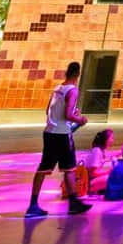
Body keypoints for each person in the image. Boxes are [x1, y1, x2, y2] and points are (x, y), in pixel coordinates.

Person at [27, 60, 92, 216]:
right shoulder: (73, 91)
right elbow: (68, 114)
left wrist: (69, 117)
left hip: (49, 132)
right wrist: (80, 119)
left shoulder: (57, 89)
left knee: (44, 168)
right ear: (77, 74)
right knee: (69, 168)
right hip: (62, 134)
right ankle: (73, 203)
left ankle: (33, 205)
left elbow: (47, 110)